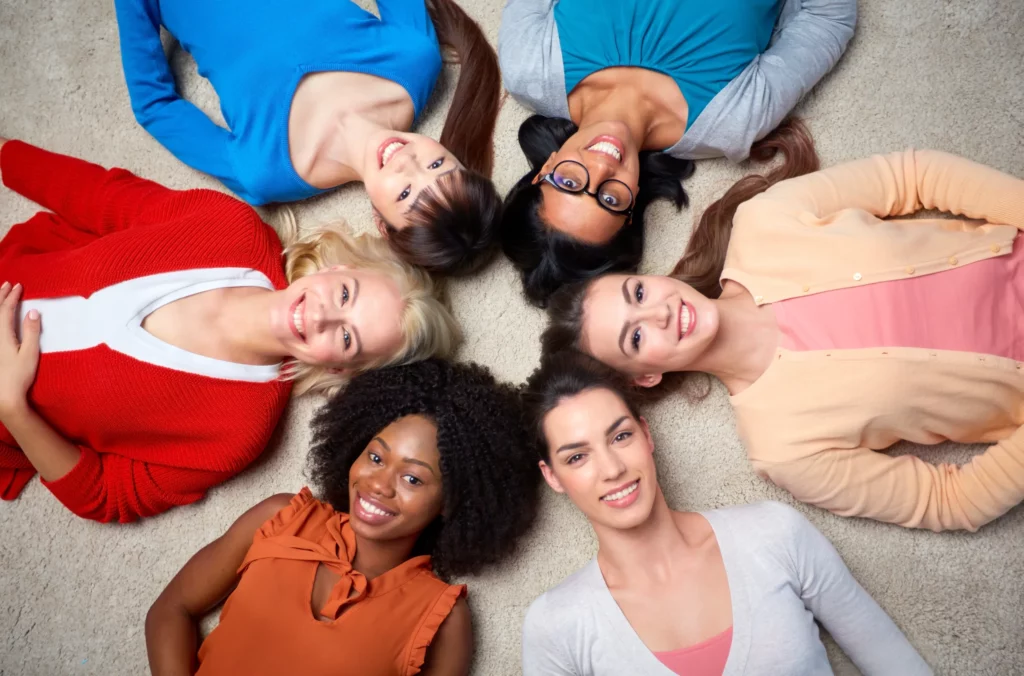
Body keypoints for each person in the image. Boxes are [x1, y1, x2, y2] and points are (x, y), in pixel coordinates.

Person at [541, 128, 1024, 532]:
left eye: (639, 294)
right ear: (645, 377)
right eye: (637, 338)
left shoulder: (766, 219)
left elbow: (912, 175)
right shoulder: (783, 449)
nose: (659, 314)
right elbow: (949, 502)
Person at [0, 137, 460, 522]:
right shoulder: (230, 228)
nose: (321, 316)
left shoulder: (237, 434)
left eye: (346, 338)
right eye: (343, 294)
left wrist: (14, 409)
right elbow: (101, 197)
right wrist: (8, 156)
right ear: (336, 267)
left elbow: (107, 496)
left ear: (342, 370)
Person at [520, 351, 931, 675]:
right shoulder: (556, 627)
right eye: (577, 457)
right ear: (552, 477)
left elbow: (893, 663)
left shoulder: (773, 533)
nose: (612, 469)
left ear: (646, 435)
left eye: (621, 436)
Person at [145, 359, 540, 676]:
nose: (379, 484)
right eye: (375, 457)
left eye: (412, 478)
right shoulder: (282, 516)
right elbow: (172, 609)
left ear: (452, 503)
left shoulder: (441, 618)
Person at [498, 0, 856, 304]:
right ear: (633, 203)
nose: (603, 165)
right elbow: (827, 18)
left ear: (547, 165)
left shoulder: (528, 67)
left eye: (570, 181)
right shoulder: (731, 119)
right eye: (609, 199)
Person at [115, 0, 502, 275]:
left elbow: (154, 105)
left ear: (382, 225)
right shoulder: (415, 57)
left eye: (405, 194)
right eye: (439, 165)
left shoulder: (265, 170)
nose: (408, 162)